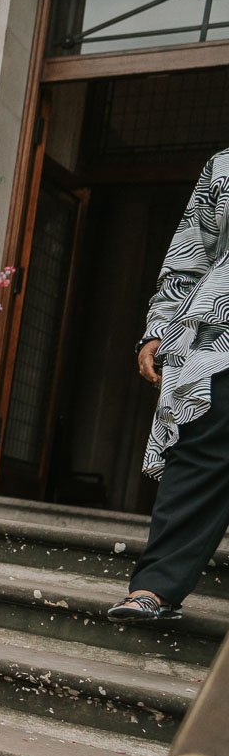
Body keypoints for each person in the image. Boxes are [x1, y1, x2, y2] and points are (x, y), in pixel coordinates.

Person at [109, 149, 229, 623]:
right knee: (197, 449)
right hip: (219, 332)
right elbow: (192, 249)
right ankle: (155, 587)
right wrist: (159, 325)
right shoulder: (224, 166)